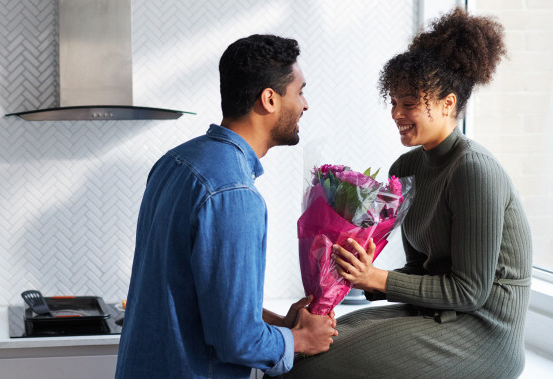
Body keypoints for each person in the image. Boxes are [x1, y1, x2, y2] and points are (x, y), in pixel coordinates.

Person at [275, 8, 533, 378]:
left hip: (481, 332)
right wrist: (346, 275)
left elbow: (470, 293)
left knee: (306, 370)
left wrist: (375, 278)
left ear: (448, 104)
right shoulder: (407, 169)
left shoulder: (474, 170)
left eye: (409, 102)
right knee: (299, 351)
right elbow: (420, 269)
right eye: (394, 101)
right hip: (432, 315)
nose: (397, 112)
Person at [115, 34, 338, 379]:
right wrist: (300, 339)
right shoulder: (234, 194)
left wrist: (278, 324)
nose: (305, 104)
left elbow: (201, 296)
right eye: (300, 91)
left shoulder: (173, 162)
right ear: (269, 99)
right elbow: (237, 341)